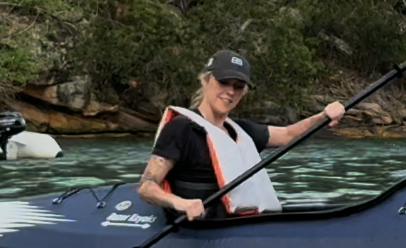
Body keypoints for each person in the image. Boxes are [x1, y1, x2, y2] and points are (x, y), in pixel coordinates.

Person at [138, 49, 345, 221]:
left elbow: (288, 134)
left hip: (239, 223)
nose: (230, 91)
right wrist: (181, 203)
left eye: (238, 86)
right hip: (200, 230)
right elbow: (146, 185)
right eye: (223, 82)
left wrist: (324, 115)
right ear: (206, 80)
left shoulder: (241, 131)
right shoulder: (181, 128)